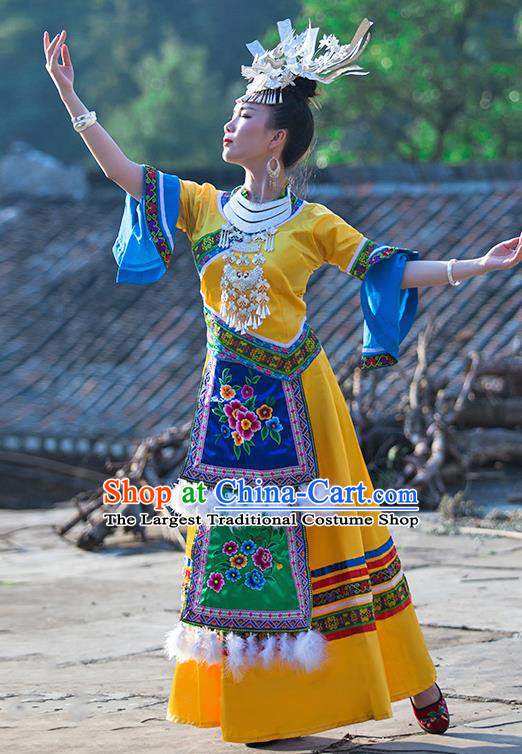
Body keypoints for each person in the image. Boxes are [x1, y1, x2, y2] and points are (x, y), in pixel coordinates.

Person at [44, 17, 522, 747]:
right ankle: (261, 701)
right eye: (233, 114)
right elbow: (127, 175)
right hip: (230, 409)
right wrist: (74, 101)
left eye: (245, 117)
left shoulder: (312, 222)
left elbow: (387, 270)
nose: (230, 124)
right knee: (238, 545)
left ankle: (412, 676)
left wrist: (475, 268)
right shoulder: (203, 205)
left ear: (276, 141)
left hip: (302, 405)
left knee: (342, 538)